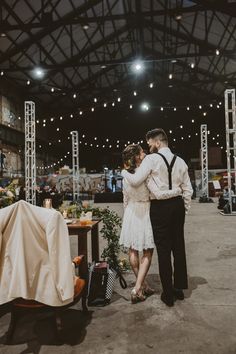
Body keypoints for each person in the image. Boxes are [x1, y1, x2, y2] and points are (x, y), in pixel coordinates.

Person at [122, 129, 193, 307]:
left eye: (150, 143)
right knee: (178, 247)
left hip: (160, 208)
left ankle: (168, 294)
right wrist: (183, 208)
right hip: (177, 206)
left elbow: (137, 179)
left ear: (158, 142)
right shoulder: (181, 161)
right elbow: (188, 189)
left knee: (163, 249)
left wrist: (123, 172)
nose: (148, 147)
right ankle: (179, 289)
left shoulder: (151, 159)